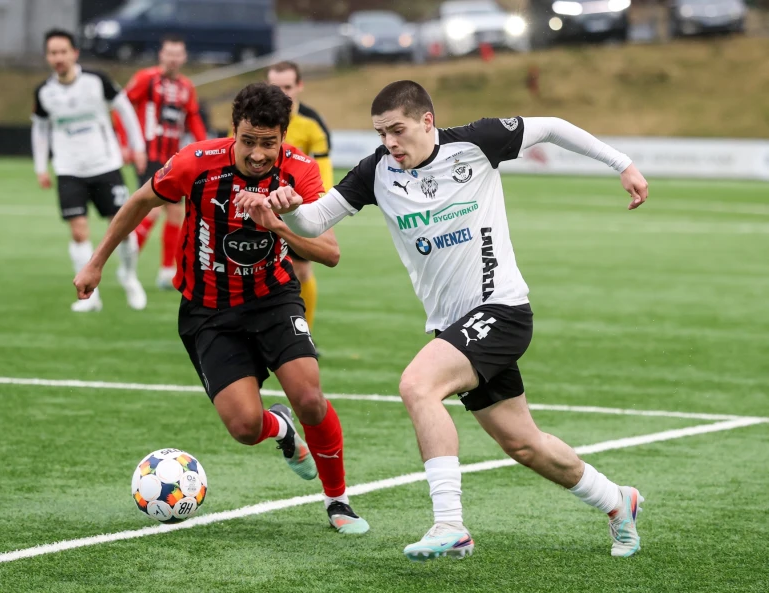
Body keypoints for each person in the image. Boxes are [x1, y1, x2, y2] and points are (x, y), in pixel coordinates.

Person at [235, 80, 650, 560]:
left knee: (418, 385)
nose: (390, 142)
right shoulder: (376, 171)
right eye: (381, 133)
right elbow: (314, 222)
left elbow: (553, 127)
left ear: (426, 121)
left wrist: (623, 164)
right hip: (453, 327)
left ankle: (450, 524)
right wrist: (286, 213)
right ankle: (617, 500)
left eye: (397, 130)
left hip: (501, 309)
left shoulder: (477, 143)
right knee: (524, 444)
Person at [73, 82, 369, 534]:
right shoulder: (196, 162)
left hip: (273, 298)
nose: (257, 154)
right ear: (234, 130)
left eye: (268, 143)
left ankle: (338, 501)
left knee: (310, 398)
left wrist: (279, 224)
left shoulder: (300, 171)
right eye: (247, 141)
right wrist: (96, 262)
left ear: (283, 137)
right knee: (245, 427)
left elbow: (330, 253)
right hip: (208, 310)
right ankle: (280, 429)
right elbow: (140, 201)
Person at [32, 28, 148, 313]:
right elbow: (40, 129)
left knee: (123, 228)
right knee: (78, 231)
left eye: (63, 51)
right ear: (47, 57)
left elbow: (125, 110)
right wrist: (40, 167)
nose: (58, 57)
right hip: (68, 169)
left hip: (105, 165)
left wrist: (138, 147)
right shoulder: (44, 92)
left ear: (74, 53)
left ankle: (128, 276)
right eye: (53, 53)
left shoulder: (97, 81)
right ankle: (90, 296)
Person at [122, 35, 208, 290]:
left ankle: (167, 271)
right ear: (161, 55)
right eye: (169, 53)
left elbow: (193, 119)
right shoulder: (145, 79)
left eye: (177, 54)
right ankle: (128, 264)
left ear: (184, 57)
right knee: (153, 209)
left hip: (173, 159)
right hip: (148, 154)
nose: (173, 59)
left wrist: (206, 148)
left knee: (176, 212)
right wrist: (126, 143)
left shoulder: (186, 87)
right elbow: (121, 107)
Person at [264, 62, 332, 331]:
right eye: (275, 87)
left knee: (301, 271)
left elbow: (323, 172)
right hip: (256, 206)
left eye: (287, 87)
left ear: (299, 86)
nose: (282, 93)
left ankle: (306, 333)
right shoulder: (250, 119)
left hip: (294, 209)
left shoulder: (312, 125)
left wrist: (319, 208)